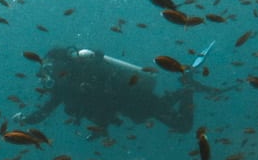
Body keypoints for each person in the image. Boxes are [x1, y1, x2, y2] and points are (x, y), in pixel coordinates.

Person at [23, 46, 202, 135]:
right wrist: (24, 120)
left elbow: (106, 94)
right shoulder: (63, 89)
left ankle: (187, 89)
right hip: (129, 106)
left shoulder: (86, 72)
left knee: (182, 125)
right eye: (47, 72)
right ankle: (183, 89)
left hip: (134, 98)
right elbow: (45, 112)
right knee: (153, 112)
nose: (50, 76)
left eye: (50, 69)